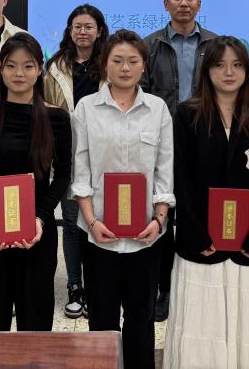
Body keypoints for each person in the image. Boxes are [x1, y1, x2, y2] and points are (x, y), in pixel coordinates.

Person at [164, 36, 249, 369]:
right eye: (219, 65)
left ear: (247, 70)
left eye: (237, 65)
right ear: (207, 70)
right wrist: (195, 233)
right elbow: (181, 178)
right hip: (203, 242)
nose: (229, 72)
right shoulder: (187, 115)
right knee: (203, 323)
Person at [72, 29, 175, 369]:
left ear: (144, 65)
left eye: (133, 61)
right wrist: (92, 222)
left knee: (141, 319)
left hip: (146, 235)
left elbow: (164, 170)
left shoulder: (157, 109)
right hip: (99, 233)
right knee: (101, 319)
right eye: (117, 60)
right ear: (105, 64)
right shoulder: (86, 108)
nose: (125, 68)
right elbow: (81, 171)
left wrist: (159, 220)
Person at [0, 32, 72, 331]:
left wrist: (40, 218)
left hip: (36, 235)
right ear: (0, 69)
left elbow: (63, 175)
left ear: (39, 69)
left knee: (35, 325)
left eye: (28, 65)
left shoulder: (57, 119)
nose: (19, 73)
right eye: (11, 65)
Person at [141, 0, 217, 321]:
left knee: (198, 213)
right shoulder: (149, 45)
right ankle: (164, 288)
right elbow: (141, 94)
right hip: (161, 141)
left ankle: (197, 284)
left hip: (204, 140)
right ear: (165, 3)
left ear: (199, 4)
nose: (184, 3)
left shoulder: (215, 45)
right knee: (162, 216)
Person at [42, 4, 109, 319]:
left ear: (99, 31)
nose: (83, 32)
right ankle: (74, 286)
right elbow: (44, 106)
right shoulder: (55, 67)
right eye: (77, 26)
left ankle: (97, 286)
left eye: (88, 26)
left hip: (102, 155)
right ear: (69, 31)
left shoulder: (109, 64)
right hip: (67, 154)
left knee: (97, 220)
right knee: (71, 223)